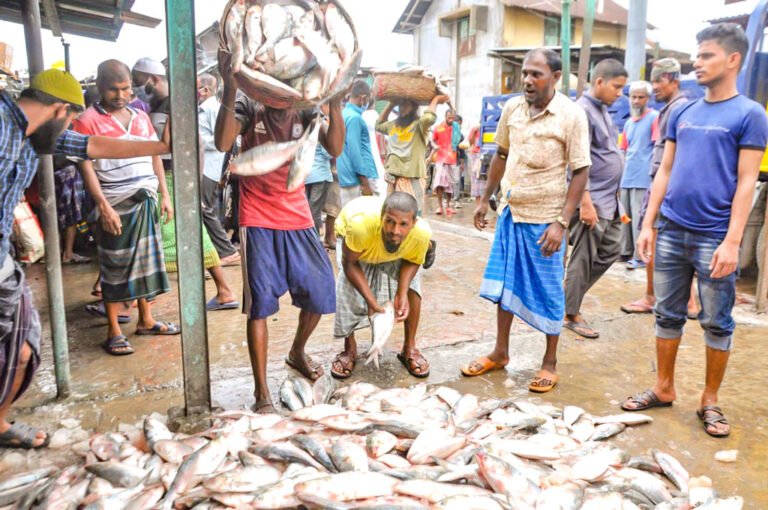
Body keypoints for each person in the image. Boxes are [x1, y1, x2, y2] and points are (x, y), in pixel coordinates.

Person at [0, 68, 172, 448]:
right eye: (70, 123)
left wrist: (158, 148)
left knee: (24, 346)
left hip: (4, 264)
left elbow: (93, 146)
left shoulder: (33, 135)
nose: (70, 131)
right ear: (61, 110)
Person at [621, 24, 768, 438]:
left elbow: (746, 182)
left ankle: (709, 401)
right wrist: (648, 224)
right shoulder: (683, 111)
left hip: (714, 236)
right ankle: (663, 387)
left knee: (717, 322)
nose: (696, 63)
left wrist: (733, 241)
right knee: (667, 315)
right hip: (670, 229)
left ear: (732, 59)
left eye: (706, 56)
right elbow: (664, 170)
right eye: (697, 55)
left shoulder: (749, 114)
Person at [214, 49, 345, 413]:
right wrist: (229, 85)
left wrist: (335, 104)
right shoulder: (248, 105)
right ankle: (262, 394)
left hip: (297, 214)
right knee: (259, 307)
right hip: (256, 216)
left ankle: (297, 351)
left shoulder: (306, 109)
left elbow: (335, 147)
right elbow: (223, 143)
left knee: (320, 291)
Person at [460, 49, 590, 393]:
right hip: (510, 213)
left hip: (545, 221)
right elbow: (500, 153)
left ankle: (549, 362)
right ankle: (500, 352)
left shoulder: (571, 115)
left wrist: (562, 222)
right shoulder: (512, 109)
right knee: (505, 287)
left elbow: (580, 170)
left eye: (537, 74)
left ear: (556, 77)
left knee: (548, 290)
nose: (528, 81)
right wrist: (483, 199)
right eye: (526, 74)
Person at [73, 60, 181, 356]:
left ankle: (146, 319)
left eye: (125, 89)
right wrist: (103, 207)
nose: (120, 95)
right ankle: (114, 330)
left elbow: (155, 155)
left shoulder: (140, 116)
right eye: (113, 89)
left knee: (146, 265)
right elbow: (86, 168)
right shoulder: (87, 120)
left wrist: (165, 194)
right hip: (114, 201)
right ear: (99, 86)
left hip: (146, 198)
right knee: (114, 267)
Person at [136, 59, 239, 313]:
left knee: (175, 233)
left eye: (139, 81)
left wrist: (194, 178)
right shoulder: (157, 104)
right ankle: (135, 301)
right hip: (168, 176)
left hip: (176, 177)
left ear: (153, 79)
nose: (137, 87)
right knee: (187, 232)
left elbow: (199, 144)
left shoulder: (175, 104)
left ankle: (134, 302)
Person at [620, 59, 699, 318]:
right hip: (662, 183)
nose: (655, 88)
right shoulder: (674, 108)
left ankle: (654, 297)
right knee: (670, 242)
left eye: (658, 81)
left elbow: (674, 156)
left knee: (652, 237)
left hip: (663, 185)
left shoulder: (677, 109)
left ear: (674, 80)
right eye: (652, 81)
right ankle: (686, 301)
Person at [330, 193, 432, 378]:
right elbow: (350, 264)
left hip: (397, 249)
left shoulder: (421, 234)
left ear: (414, 223)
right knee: (348, 288)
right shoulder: (359, 226)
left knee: (413, 288)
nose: (395, 230)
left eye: (403, 224)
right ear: (381, 217)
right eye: (390, 222)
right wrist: (371, 301)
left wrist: (401, 293)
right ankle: (349, 349)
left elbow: (413, 261)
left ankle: (409, 348)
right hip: (358, 246)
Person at [563, 59, 628, 340]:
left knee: (614, 248)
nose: (620, 93)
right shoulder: (583, 111)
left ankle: (567, 296)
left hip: (609, 199)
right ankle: (570, 313)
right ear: (599, 81)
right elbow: (576, 161)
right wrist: (585, 201)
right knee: (583, 257)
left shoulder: (603, 111)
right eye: (617, 87)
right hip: (592, 200)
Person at [376, 95, 446, 216]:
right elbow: (378, 125)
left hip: (412, 178)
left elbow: (429, 118)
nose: (402, 108)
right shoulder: (393, 125)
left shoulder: (419, 125)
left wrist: (436, 99)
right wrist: (391, 104)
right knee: (391, 214)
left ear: (414, 107)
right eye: (400, 105)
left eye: (406, 105)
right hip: (393, 179)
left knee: (412, 215)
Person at [619, 81, 658, 269]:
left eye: (640, 97)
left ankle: (640, 256)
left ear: (648, 99)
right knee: (624, 218)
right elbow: (624, 150)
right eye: (633, 97)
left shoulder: (654, 118)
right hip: (627, 177)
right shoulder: (628, 123)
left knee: (639, 219)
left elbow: (658, 148)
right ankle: (625, 251)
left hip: (643, 178)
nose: (636, 101)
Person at [337, 80, 378, 205]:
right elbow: (355, 151)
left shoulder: (343, 114)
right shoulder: (355, 118)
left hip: (346, 176)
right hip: (357, 180)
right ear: (363, 99)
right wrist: (364, 182)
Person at [305, 105, 333, 234]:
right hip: (320, 176)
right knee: (314, 212)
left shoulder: (303, 128)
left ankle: (309, 241)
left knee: (307, 211)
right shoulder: (322, 127)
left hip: (306, 176)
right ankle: (313, 242)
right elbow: (330, 153)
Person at [431, 109, 461, 215]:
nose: (451, 119)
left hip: (452, 159)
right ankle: (440, 206)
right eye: (449, 117)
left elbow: (460, 139)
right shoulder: (438, 128)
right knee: (439, 183)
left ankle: (448, 206)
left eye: (453, 117)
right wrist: (436, 147)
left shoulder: (456, 128)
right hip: (441, 159)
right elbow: (432, 140)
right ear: (445, 116)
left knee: (450, 185)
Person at [362, 99, 386, 195]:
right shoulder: (374, 114)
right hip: (373, 144)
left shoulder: (362, 115)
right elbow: (380, 134)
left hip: (366, 145)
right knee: (377, 167)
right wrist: (382, 149)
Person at [467, 123, 484, 207]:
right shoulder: (475, 129)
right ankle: (479, 207)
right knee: (477, 181)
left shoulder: (490, 129)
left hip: (485, 155)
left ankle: (482, 208)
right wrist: (474, 131)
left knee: (484, 183)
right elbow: (470, 142)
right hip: (475, 155)